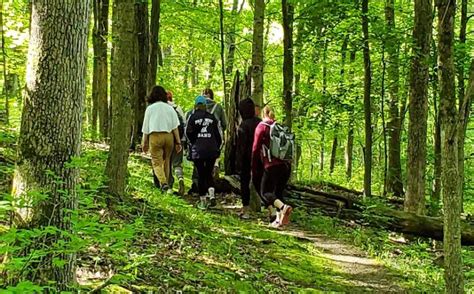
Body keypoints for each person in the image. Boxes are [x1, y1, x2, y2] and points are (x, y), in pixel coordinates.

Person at [251, 105, 293, 227]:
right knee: (278, 193)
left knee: (265, 192)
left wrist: (254, 167)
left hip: (271, 165)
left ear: (263, 114)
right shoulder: (280, 127)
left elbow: (255, 149)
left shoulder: (262, 127)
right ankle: (278, 221)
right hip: (285, 165)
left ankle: (283, 207)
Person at [142, 86, 182, 193]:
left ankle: (164, 184)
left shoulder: (150, 109)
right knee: (167, 161)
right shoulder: (170, 108)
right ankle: (166, 185)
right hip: (169, 137)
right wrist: (178, 142)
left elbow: (145, 128)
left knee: (156, 162)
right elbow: (175, 127)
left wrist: (144, 142)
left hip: (155, 136)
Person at [186, 95, 222, 208]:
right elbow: (218, 135)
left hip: (198, 150)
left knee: (201, 174)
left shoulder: (192, 117)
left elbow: (188, 133)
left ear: (195, 106)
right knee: (208, 173)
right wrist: (217, 147)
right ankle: (212, 195)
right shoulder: (211, 117)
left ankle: (203, 201)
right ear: (205, 106)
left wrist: (193, 143)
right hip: (211, 150)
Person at [236, 98, 261, 219]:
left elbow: (241, 146)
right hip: (261, 158)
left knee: (245, 183)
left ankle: (245, 209)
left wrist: (238, 162)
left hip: (247, 159)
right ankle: (272, 209)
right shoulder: (260, 123)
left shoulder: (243, 126)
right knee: (262, 183)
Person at [202, 88, 226, 179]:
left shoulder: (198, 106)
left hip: (202, 136)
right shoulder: (218, 107)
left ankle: (203, 180)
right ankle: (215, 167)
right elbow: (224, 123)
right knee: (215, 156)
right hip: (215, 136)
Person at [167, 90, 186, 195]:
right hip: (179, 140)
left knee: (167, 163)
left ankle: (169, 185)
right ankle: (180, 179)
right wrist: (182, 140)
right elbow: (184, 123)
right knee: (177, 164)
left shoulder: (163, 109)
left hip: (167, 140)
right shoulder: (177, 108)